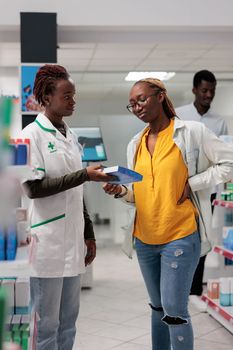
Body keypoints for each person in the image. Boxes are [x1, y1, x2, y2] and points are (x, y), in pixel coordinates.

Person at [103, 77, 233, 350]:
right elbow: (138, 192)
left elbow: (229, 162)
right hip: (145, 238)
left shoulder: (192, 132)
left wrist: (194, 183)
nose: (137, 107)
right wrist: (120, 191)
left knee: (174, 311)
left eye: (141, 99)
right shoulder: (135, 143)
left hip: (180, 234)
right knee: (157, 307)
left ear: (160, 96)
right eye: (131, 105)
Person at [20, 64, 112, 350]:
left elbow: (77, 192)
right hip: (46, 245)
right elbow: (33, 188)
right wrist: (85, 174)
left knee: (69, 322)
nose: (73, 101)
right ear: (46, 98)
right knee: (46, 326)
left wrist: (90, 233)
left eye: (74, 95)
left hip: (72, 244)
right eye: (67, 96)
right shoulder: (30, 136)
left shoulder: (70, 137)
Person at [176, 70, 229, 311]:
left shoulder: (219, 121)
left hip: (210, 188)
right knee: (184, 235)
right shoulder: (180, 114)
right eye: (205, 90)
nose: (209, 95)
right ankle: (180, 286)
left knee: (204, 237)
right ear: (195, 89)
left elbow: (223, 157)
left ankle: (195, 289)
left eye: (212, 91)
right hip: (183, 186)